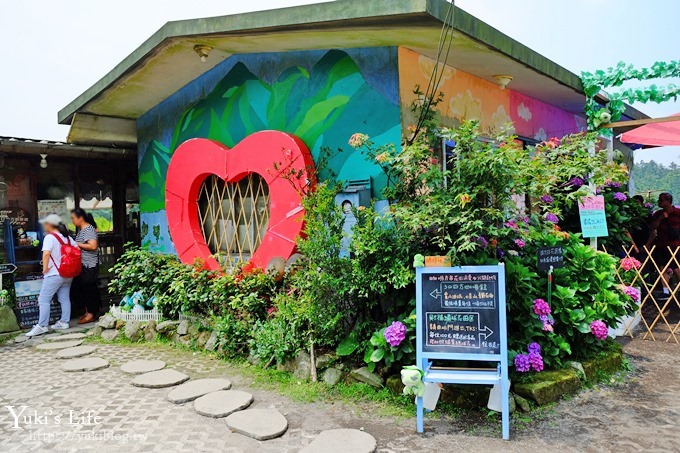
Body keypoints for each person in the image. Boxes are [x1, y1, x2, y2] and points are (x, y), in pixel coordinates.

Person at [25, 214, 75, 337]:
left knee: (43, 299)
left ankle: (42, 326)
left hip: (54, 274)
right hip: (68, 273)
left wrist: (45, 268)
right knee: (64, 298)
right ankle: (64, 322)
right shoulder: (68, 238)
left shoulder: (50, 238)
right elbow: (76, 250)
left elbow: (46, 254)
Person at [70, 208, 101, 324]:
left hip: (89, 265)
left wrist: (76, 243)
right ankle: (89, 311)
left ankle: (91, 313)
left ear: (80, 218)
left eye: (73, 218)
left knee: (89, 289)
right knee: (83, 289)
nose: (72, 221)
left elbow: (93, 246)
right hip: (82, 264)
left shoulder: (88, 229)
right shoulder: (81, 230)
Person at [647, 192, 680, 296]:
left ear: (668, 201)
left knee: (677, 268)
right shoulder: (658, 214)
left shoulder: (678, 213)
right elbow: (653, 227)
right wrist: (661, 218)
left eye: (661, 200)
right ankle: (666, 292)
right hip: (662, 245)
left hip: (676, 245)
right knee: (663, 268)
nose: (659, 202)